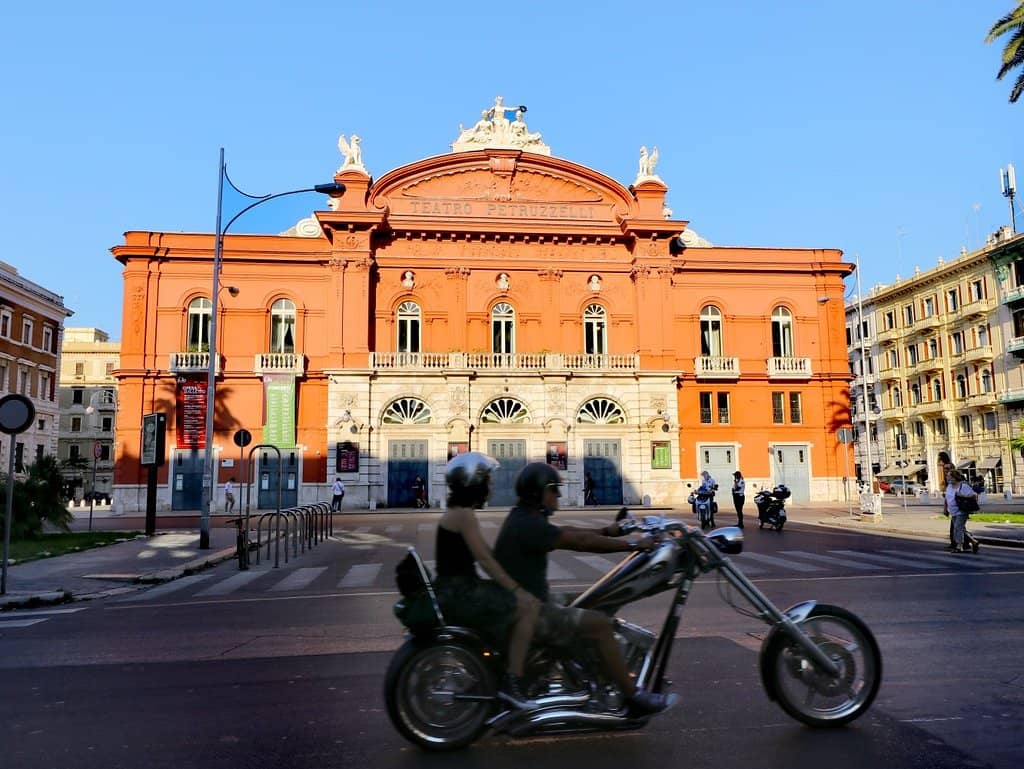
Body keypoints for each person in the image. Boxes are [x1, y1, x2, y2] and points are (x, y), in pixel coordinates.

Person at [493, 462, 677, 717]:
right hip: (530, 610)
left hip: (526, 602)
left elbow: (567, 532)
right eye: (554, 489)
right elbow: (578, 541)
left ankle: (588, 672)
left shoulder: (523, 517)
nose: (558, 494)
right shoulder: (529, 526)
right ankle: (633, 695)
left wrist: (607, 531)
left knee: (590, 600)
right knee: (600, 624)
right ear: (539, 493)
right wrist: (633, 543)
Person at [433, 452, 541, 709]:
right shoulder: (464, 516)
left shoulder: (458, 512)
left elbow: (486, 554)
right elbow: (485, 560)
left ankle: (497, 670)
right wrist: (516, 588)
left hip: (454, 589)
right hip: (461, 593)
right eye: (488, 480)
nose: (492, 486)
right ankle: (513, 683)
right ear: (475, 482)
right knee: (528, 608)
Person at [944, 468, 979, 554]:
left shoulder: (963, 486)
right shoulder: (949, 486)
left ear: (954, 477)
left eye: (948, 476)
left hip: (962, 510)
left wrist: (962, 495)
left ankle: (959, 546)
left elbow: (974, 496)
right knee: (961, 529)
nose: (947, 478)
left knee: (957, 528)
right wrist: (945, 509)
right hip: (953, 511)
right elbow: (946, 498)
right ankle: (974, 542)